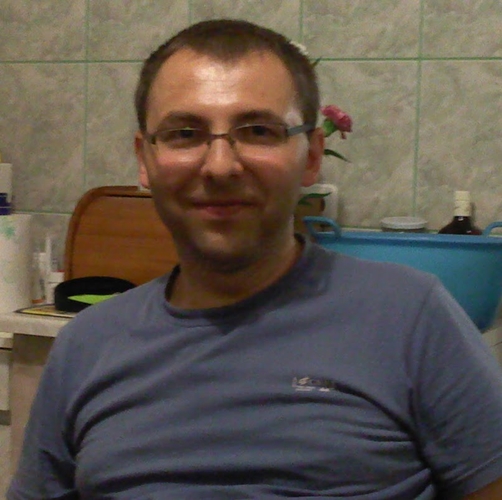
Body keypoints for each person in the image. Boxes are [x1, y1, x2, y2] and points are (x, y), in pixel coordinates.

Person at [8, 19, 502, 500]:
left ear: (311, 156)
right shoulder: (86, 347)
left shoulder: (410, 318)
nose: (221, 166)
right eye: (185, 133)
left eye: (259, 131)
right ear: (145, 159)